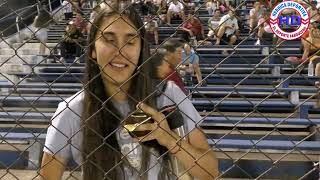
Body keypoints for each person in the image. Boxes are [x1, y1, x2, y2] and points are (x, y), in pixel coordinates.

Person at [40, 3, 219, 180]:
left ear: (141, 49)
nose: (120, 51)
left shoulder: (169, 95)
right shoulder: (71, 111)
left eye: (130, 41)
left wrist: (171, 140)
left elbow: (210, 172)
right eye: (109, 39)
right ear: (93, 50)